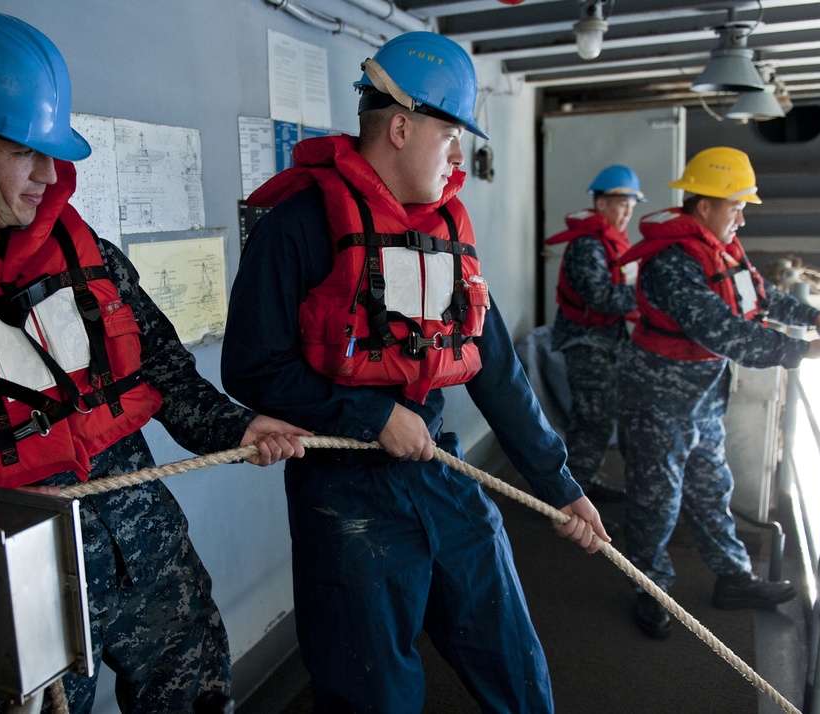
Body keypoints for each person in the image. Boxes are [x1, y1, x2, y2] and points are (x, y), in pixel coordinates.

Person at [0, 12, 308, 713]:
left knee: (196, 695)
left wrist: (239, 427)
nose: (51, 175)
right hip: (15, 575)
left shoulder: (87, 251)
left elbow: (164, 370)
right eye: (26, 153)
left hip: (145, 542)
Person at [221, 31, 609, 713]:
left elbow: (497, 373)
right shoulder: (297, 227)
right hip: (342, 492)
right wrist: (371, 416)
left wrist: (558, 486)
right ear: (400, 127)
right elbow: (252, 368)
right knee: (373, 690)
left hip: (440, 470)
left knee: (514, 660)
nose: (460, 156)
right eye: (450, 134)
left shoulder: (446, 238)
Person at [616, 146, 820, 640]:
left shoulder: (722, 251)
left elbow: (760, 296)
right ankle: (649, 587)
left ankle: (734, 578)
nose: (741, 217)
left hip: (701, 400)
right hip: (657, 400)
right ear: (705, 207)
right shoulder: (672, 266)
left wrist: (810, 316)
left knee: (711, 488)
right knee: (657, 501)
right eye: (735, 206)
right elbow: (725, 332)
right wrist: (801, 351)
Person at [546, 165, 645, 502]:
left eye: (632, 205)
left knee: (592, 420)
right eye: (622, 204)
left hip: (606, 343)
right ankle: (569, 500)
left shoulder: (613, 242)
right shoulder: (589, 245)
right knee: (593, 423)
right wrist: (652, 299)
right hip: (588, 345)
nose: (628, 212)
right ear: (601, 204)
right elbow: (600, 297)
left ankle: (580, 484)